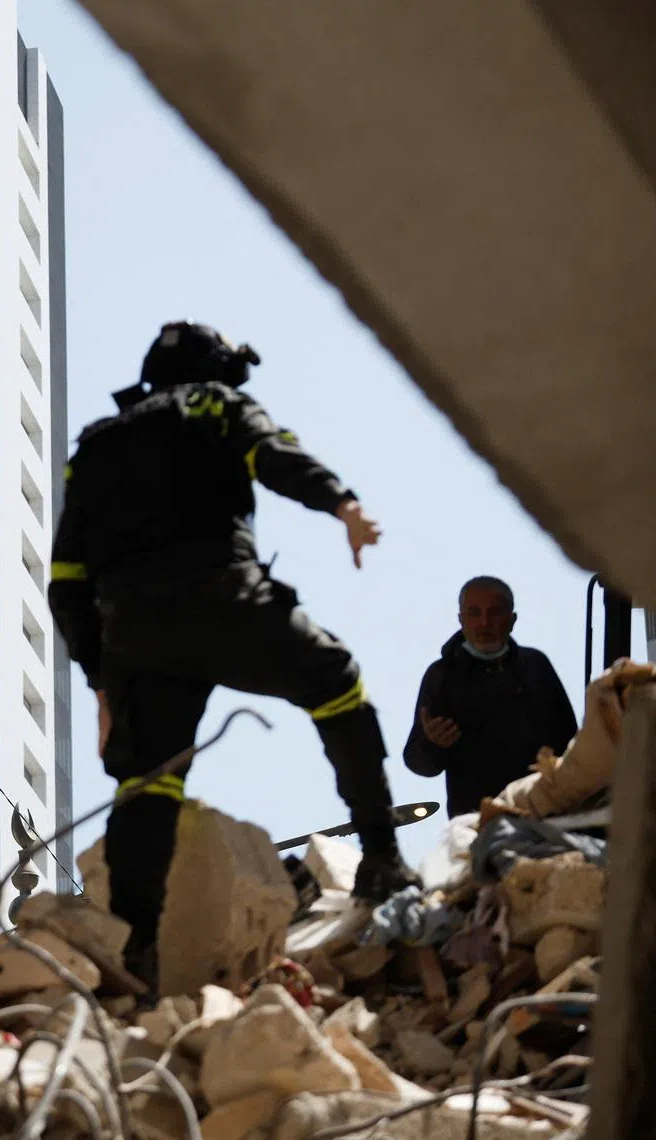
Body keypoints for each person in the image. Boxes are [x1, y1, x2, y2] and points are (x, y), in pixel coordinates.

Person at [47, 320, 420, 988]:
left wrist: (102, 679)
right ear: (213, 371)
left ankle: (133, 958)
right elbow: (274, 455)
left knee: (148, 783)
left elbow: (66, 580)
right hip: (225, 601)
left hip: (135, 636)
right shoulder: (213, 403)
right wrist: (343, 505)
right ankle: (384, 856)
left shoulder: (96, 447)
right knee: (334, 680)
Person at [403, 576, 578, 817]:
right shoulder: (442, 676)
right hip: (478, 825)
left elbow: (570, 746)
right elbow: (418, 763)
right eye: (474, 613)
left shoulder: (535, 666)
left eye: (494, 612)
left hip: (544, 817)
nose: (484, 622)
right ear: (461, 619)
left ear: (512, 619)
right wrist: (433, 744)